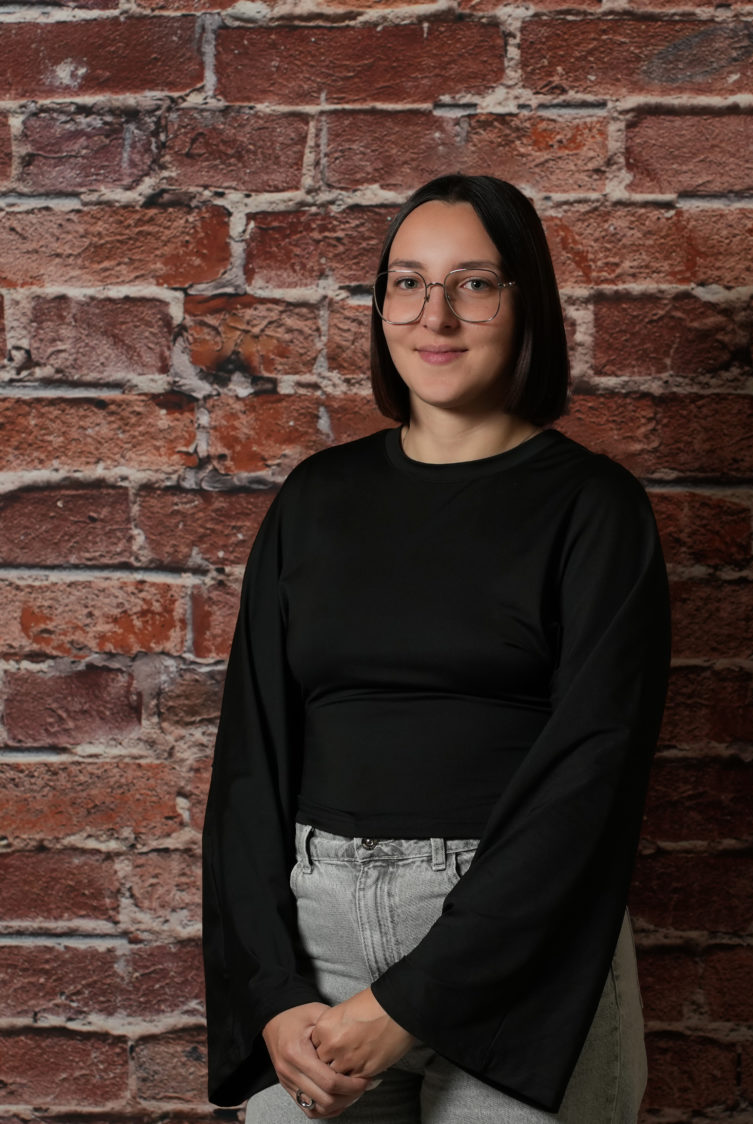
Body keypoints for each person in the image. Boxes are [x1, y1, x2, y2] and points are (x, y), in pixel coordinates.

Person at [202, 174, 670, 1123]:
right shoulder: (316, 500)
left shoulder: (593, 509)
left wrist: (408, 1003)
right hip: (317, 941)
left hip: (520, 948)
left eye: (475, 284)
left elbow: (591, 781)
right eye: (407, 283)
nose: (435, 315)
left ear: (525, 303)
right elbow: (250, 763)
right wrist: (272, 992)